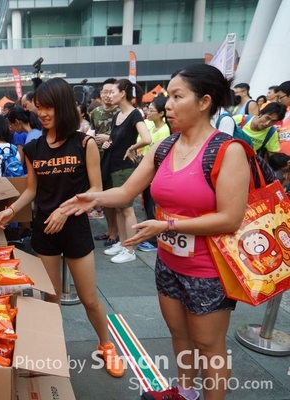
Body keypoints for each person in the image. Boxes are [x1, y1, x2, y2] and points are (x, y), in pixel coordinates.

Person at [61, 64, 251, 400]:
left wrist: (168, 225)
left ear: (204, 102)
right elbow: (126, 192)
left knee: (209, 345)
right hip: (169, 263)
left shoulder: (228, 150)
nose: (167, 105)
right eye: (169, 97)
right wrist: (92, 197)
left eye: (178, 97)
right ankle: (185, 392)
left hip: (209, 269)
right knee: (178, 334)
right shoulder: (165, 147)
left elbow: (230, 219)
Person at [0, 78, 125, 379]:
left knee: (89, 298)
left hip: (76, 228)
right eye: (39, 107)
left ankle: (105, 344)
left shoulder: (84, 143)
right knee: (50, 298)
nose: (42, 113)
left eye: (49, 107)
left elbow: (95, 190)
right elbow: (31, 190)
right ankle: (50, 349)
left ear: (63, 106)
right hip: (45, 231)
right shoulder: (32, 147)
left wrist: (66, 211)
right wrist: (10, 210)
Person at [101, 78, 151, 263]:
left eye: (112, 92)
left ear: (122, 94)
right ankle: (122, 243)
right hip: (113, 166)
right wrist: (109, 143)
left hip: (124, 168)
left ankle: (129, 250)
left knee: (127, 209)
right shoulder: (117, 115)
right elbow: (115, 139)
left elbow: (147, 138)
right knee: (119, 208)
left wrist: (131, 148)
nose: (109, 95)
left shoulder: (135, 114)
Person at [137, 96, 171, 252]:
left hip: (155, 175)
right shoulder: (151, 127)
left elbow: (160, 156)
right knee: (147, 205)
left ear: (161, 113)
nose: (148, 112)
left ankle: (153, 240)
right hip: (147, 172)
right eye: (148, 109)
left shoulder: (164, 131)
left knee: (153, 206)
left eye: (151, 110)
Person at [90, 78, 119, 240]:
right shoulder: (95, 112)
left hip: (115, 158)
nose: (107, 95)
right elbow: (92, 132)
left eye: (111, 92)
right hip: (99, 158)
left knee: (116, 198)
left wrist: (109, 138)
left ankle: (116, 233)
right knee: (104, 197)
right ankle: (110, 229)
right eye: (104, 92)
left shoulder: (121, 112)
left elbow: (128, 137)